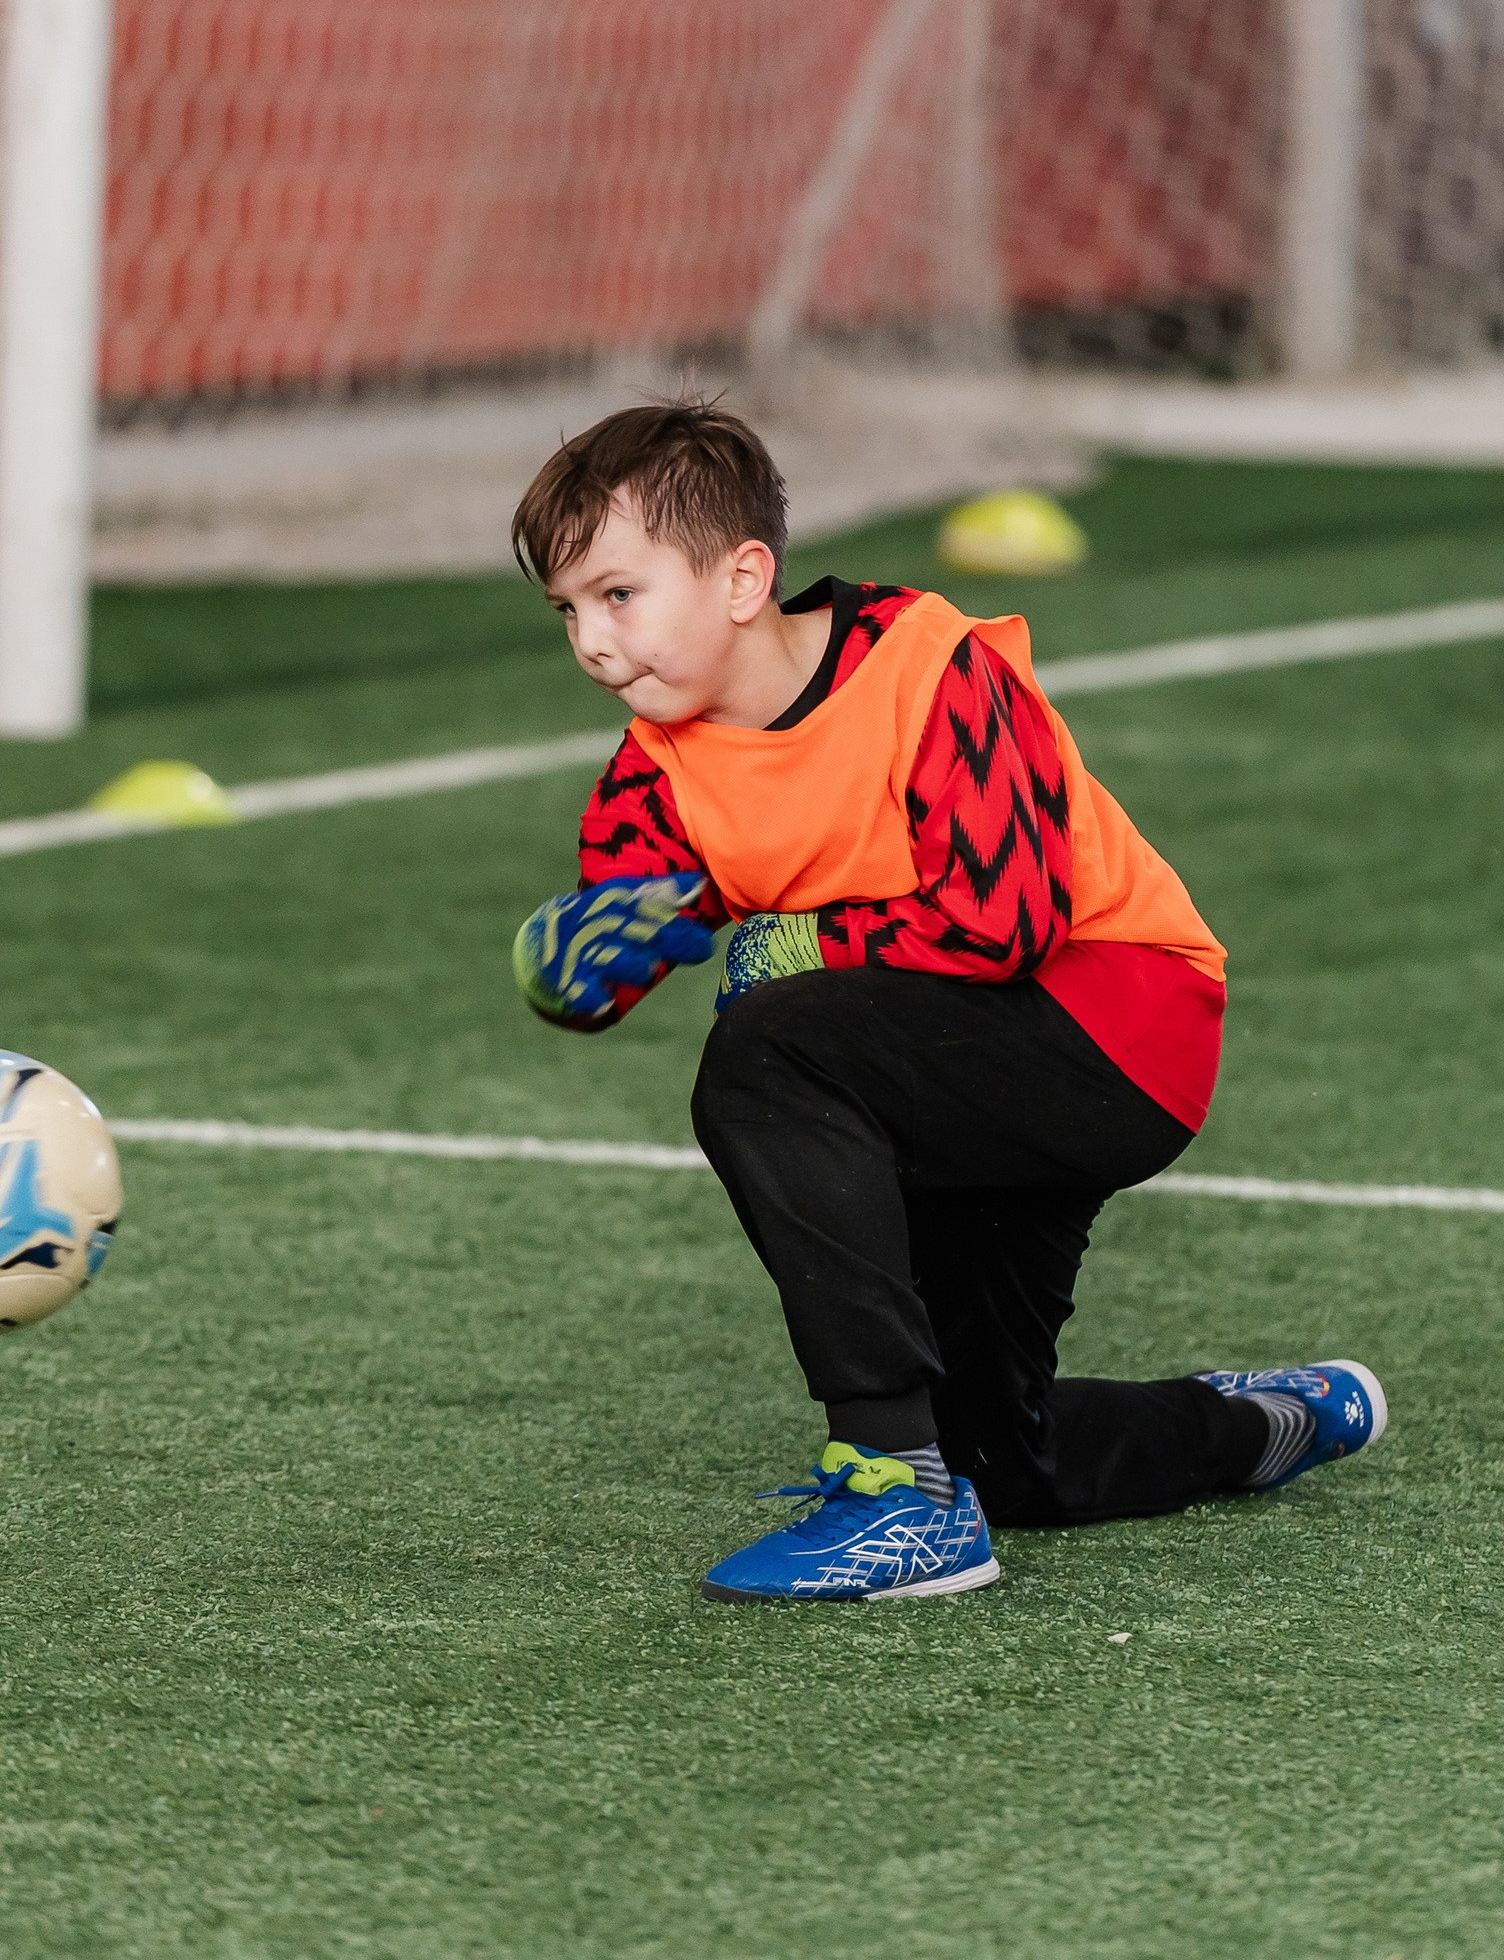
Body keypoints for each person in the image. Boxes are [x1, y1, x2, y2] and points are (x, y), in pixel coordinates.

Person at [509, 399, 1386, 1603]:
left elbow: (1005, 917)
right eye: (567, 609)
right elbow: (632, 924)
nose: (593, 642)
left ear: (740, 578)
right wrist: (577, 969)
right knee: (1002, 1461)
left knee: (767, 1052)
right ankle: (1258, 1422)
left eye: (618, 594)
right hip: (944, 1070)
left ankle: (895, 1490)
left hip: (1116, 1026)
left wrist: (798, 940)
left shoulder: (932, 666)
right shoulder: (651, 768)